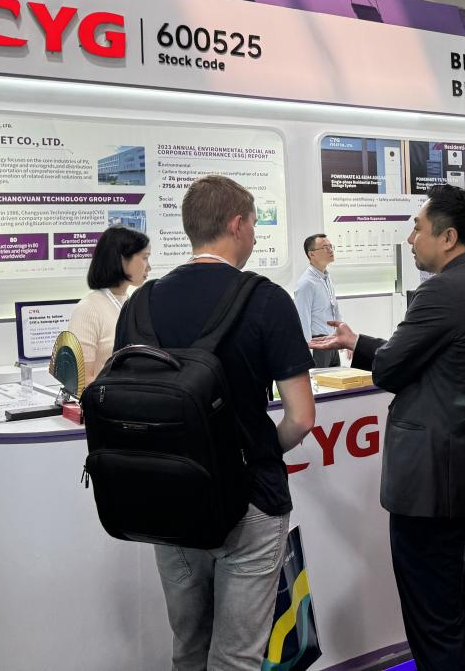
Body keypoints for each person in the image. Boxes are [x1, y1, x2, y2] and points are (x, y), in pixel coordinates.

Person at [306, 185, 465, 671]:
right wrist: (358, 341)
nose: (410, 238)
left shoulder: (442, 290)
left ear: (448, 237)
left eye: (418, 228)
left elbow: (391, 368)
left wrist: (370, 352)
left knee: (434, 621)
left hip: (430, 485)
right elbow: (429, 356)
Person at [118, 174, 316, 670]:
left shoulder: (140, 302)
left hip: (168, 498)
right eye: (254, 226)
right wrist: (254, 451)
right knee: (237, 655)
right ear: (235, 224)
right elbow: (301, 418)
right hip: (250, 499)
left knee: (189, 645)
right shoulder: (267, 300)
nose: (255, 238)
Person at [68, 225, 150, 379]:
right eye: (144, 258)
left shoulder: (133, 302)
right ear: (122, 259)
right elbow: (81, 380)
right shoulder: (88, 309)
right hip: (105, 394)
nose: (149, 267)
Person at [294, 233, 342, 368]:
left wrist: (342, 336)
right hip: (318, 344)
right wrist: (306, 350)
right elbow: (302, 318)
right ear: (312, 254)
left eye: (331, 246)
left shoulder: (326, 277)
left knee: (336, 380)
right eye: (325, 247)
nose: (330, 250)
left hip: (332, 341)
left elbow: (334, 308)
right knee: (320, 381)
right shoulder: (306, 283)